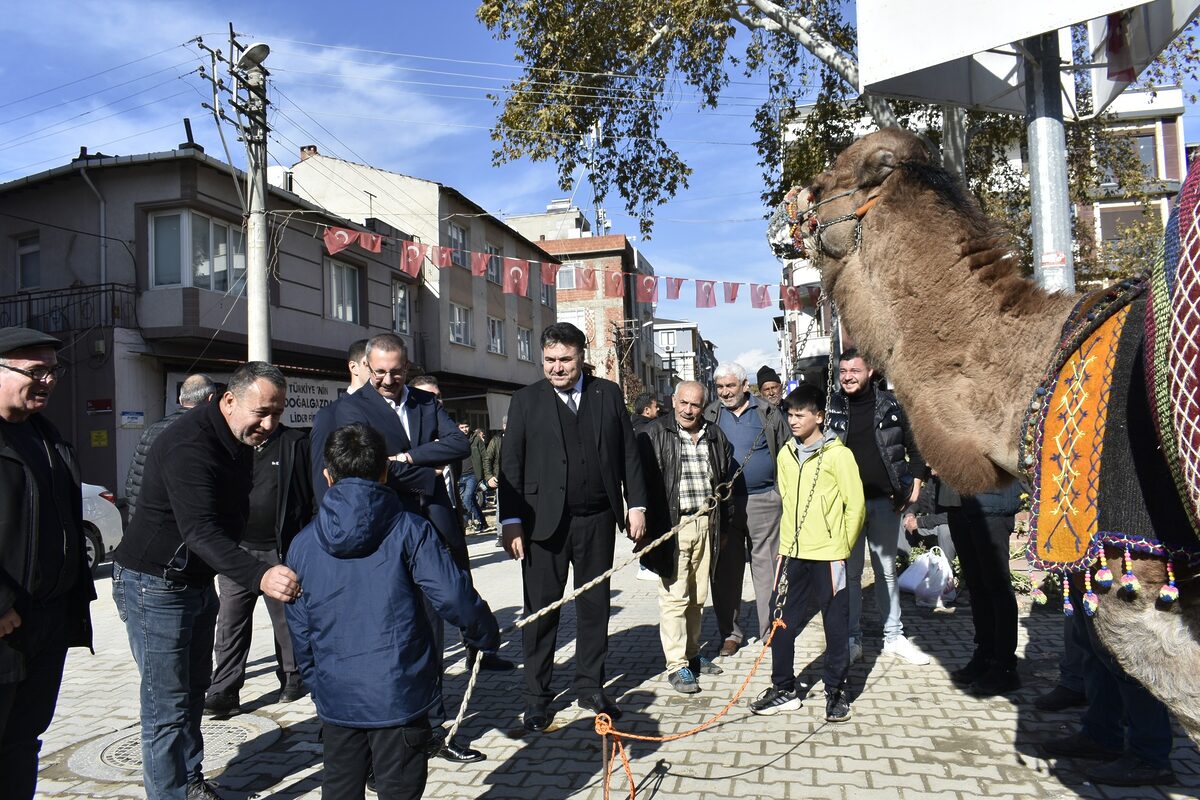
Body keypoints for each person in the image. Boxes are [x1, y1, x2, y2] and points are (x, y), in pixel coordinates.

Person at [112, 362, 301, 800]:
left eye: (278, 413)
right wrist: (259, 573)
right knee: (167, 707)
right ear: (229, 400)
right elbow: (199, 530)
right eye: (262, 412)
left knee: (193, 693)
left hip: (195, 581)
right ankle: (172, 792)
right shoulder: (187, 444)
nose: (270, 424)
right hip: (154, 584)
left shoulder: (236, 435)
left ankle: (189, 782)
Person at [286, 423, 500, 800]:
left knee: (339, 788)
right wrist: (483, 632)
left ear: (327, 476)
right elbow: (453, 596)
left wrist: (317, 682)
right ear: (385, 471)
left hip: (338, 696)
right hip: (399, 694)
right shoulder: (410, 528)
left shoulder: (302, 544)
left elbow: (299, 626)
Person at [499, 322, 647, 731]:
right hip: (541, 529)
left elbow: (628, 455)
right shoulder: (526, 400)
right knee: (541, 614)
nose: (557, 368)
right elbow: (509, 465)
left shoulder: (608, 394)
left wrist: (636, 505)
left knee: (594, 609)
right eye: (549, 360)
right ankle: (536, 697)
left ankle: (590, 686)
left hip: (597, 520)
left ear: (582, 357)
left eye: (565, 359)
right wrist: (510, 522)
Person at [0, 328, 96, 800]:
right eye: (34, 371)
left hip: (48, 621)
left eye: (53, 371)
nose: (48, 381)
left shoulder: (46, 435)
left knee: (24, 739)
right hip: (4, 624)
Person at [749, 384, 864, 721]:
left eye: (800, 415)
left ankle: (837, 689)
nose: (794, 420)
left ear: (819, 416)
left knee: (836, 622)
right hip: (792, 552)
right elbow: (786, 495)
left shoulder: (838, 455)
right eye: (790, 414)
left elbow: (854, 506)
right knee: (779, 618)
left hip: (830, 553)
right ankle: (783, 688)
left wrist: (841, 545)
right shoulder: (785, 453)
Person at [827, 348, 930, 666]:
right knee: (851, 575)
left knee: (886, 572)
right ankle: (851, 639)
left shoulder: (891, 404)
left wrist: (916, 480)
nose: (847, 377)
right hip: (847, 506)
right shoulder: (832, 407)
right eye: (843, 371)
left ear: (870, 371)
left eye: (854, 371)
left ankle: (894, 636)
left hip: (885, 502)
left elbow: (915, 445)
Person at [204, 422, 315, 716]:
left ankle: (292, 678)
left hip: (280, 549)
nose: (263, 421)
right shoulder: (230, 442)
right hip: (236, 551)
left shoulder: (294, 442)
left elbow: (311, 494)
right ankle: (224, 690)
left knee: (285, 619)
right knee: (230, 621)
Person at [637, 381, 731, 694]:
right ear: (673, 400)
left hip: (706, 522)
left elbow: (725, 480)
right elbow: (641, 483)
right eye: (684, 403)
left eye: (696, 405)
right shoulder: (654, 433)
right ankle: (676, 664)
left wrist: (724, 526)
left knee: (698, 596)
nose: (688, 410)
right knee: (675, 598)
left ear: (704, 406)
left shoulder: (715, 435)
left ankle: (692, 655)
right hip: (673, 527)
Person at [703, 362, 790, 657]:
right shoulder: (710, 414)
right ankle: (731, 633)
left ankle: (769, 631)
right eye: (720, 387)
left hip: (765, 500)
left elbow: (786, 451)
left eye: (731, 386)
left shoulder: (767, 411)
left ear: (744, 386)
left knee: (767, 570)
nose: (726, 392)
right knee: (725, 573)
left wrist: (782, 493)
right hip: (725, 506)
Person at [942, 480, 1023, 696]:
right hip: (959, 501)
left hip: (992, 501)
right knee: (976, 586)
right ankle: (985, 655)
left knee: (997, 586)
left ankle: (1005, 666)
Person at [125, 373, 217, 518]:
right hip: (175, 529)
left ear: (180, 399)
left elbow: (131, 482)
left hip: (141, 523)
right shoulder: (205, 433)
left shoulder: (151, 430)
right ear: (211, 399)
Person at [457, 423, 488, 534]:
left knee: (467, 498)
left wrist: (485, 475)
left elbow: (485, 457)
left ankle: (477, 521)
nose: (464, 429)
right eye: (462, 427)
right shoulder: (456, 440)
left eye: (466, 426)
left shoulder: (476, 439)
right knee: (469, 501)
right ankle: (482, 523)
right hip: (460, 475)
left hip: (473, 474)